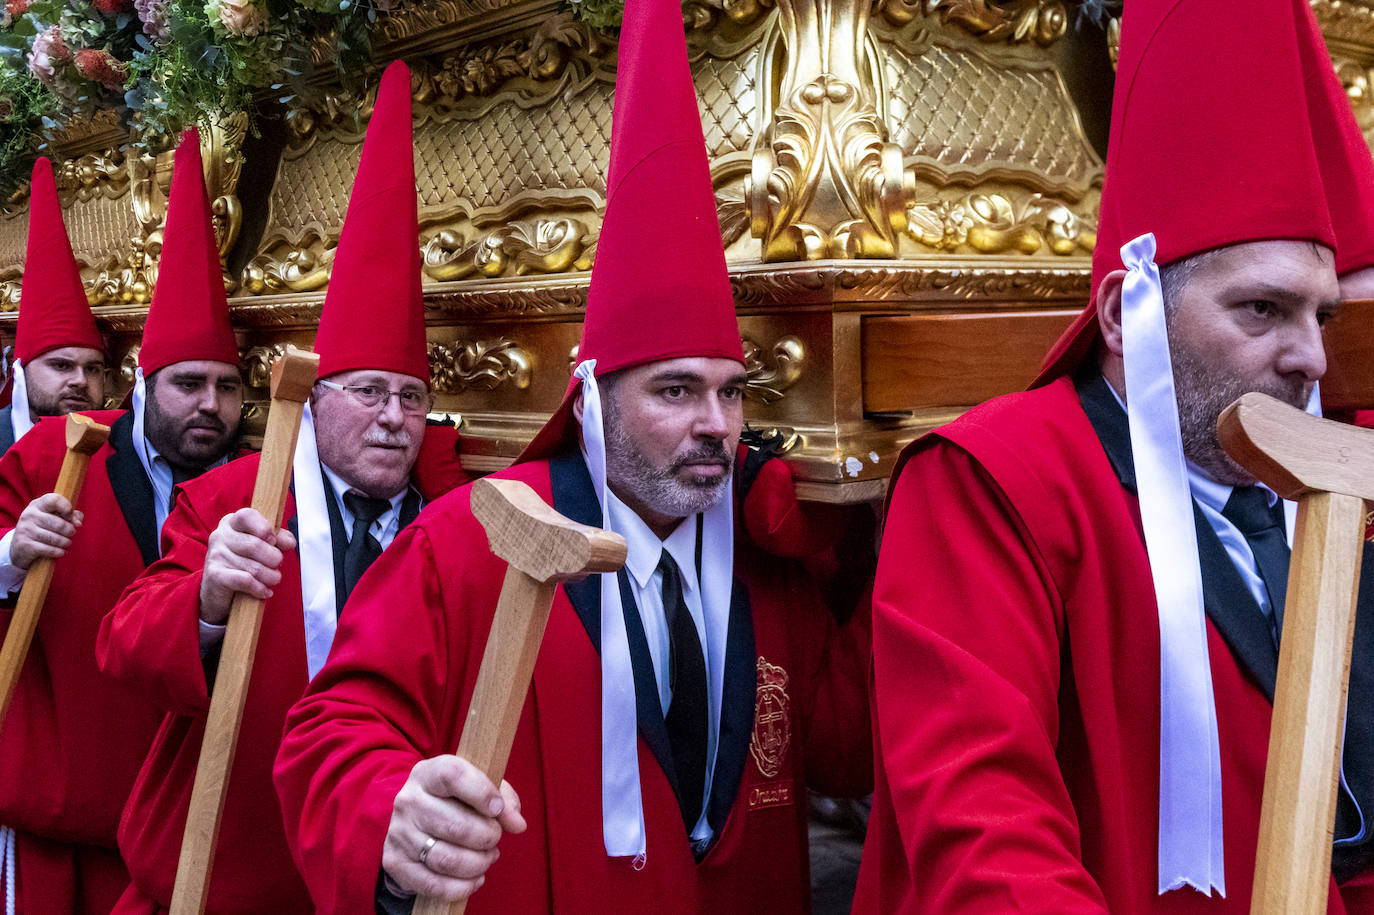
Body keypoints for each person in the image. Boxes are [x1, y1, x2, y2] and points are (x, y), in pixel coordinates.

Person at [272, 3, 872, 911]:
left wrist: (875, 544)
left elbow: (842, 744)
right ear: (592, 404)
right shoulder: (471, 544)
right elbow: (331, 732)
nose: (716, 421)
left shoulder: (766, 558)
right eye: (674, 391)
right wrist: (391, 808)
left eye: (730, 389)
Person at [853, 1, 1374, 912]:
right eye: (1262, 309)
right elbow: (984, 829)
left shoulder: (1331, 485)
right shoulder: (990, 482)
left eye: (1319, 315)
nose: (1312, 357)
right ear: (1121, 319)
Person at [96, 60, 469, 913]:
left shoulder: (445, 529)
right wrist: (208, 594)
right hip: (220, 868)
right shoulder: (234, 500)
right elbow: (121, 641)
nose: (393, 419)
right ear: (317, 401)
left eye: (412, 398)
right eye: (369, 393)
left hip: (368, 873)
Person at [0, 130, 245, 915]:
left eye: (226, 385)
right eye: (187, 384)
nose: (209, 404)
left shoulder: (255, 487)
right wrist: (10, 552)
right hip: (59, 808)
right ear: (142, 381)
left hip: (181, 830)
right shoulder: (53, 456)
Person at [0, 157, 109, 455]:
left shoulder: (124, 456)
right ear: (19, 371)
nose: (80, 381)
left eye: (93, 369)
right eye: (61, 365)